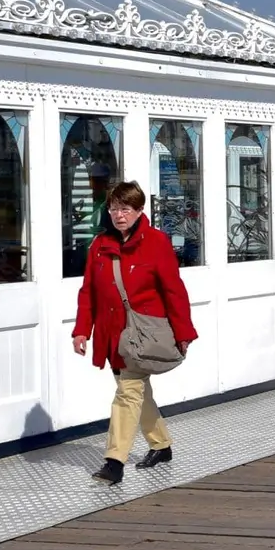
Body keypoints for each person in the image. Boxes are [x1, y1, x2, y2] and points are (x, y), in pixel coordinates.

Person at [71, 180, 196, 486]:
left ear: (140, 210)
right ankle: (161, 445)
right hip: (111, 335)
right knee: (138, 393)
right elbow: (88, 291)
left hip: (142, 335)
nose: (119, 214)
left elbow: (173, 290)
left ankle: (114, 463)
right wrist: (81, 330)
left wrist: (183, 331)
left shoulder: (156, 242)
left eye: (125, 208)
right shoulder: (99, 245)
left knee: (128, 393)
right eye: (113, 208)